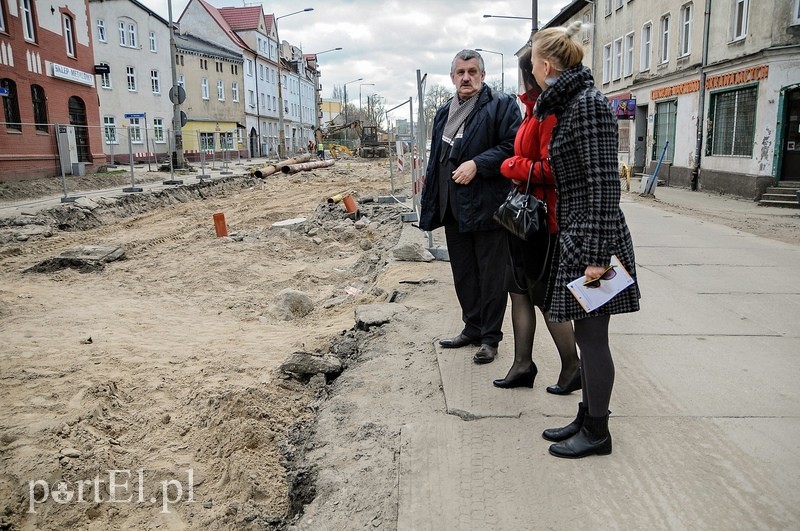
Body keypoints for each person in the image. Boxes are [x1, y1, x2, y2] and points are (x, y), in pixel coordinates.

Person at [531, 21, 641, 458]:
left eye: (533, 66)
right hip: (580, 236)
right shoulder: (575, 101)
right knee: (584, 336)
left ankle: (597, 432)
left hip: (594, 242)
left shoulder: (588, 105)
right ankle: (587, 413)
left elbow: (604, 186)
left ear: (544, 65)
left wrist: (596, 258)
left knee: (593, 340)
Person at [419, 49, 521, 364]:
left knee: (491, 276)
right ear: (452, 77)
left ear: (483, 75)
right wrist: (431, 197)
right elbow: (437, 158)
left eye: (472, 71)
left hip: (488, 206)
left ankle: (490, 338)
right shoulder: (443, 112)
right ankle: (472, 327)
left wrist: (478, 163)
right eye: (461, 72)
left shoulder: (501, 106)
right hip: (453, 207)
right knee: (464, 273)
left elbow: (511, 147)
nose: (466, 77)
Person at [492, 48, 581, 393]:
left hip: (544, 221)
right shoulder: (533, 110)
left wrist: (511, 166)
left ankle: (573, 366)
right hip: (522, 217)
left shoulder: (552, 114)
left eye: (527, 67)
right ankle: (522, 365)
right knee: (518, 292)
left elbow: (555, 168)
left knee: (544, 298)